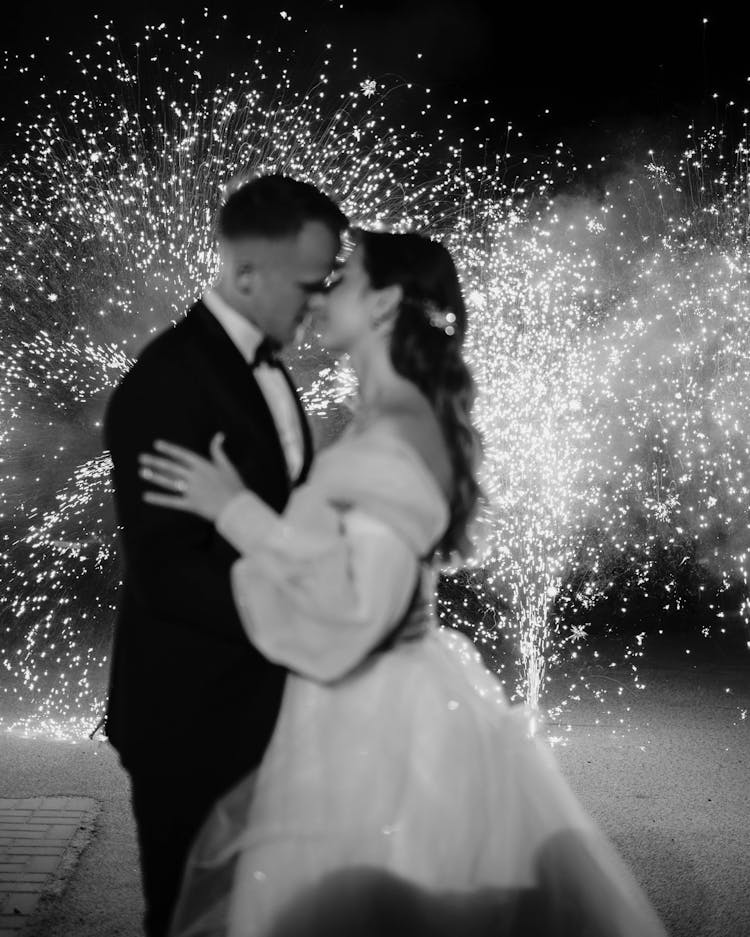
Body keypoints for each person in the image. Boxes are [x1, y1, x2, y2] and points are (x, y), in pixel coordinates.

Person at [140, 229, 668, 937]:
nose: (324, 292)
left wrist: (233, 512)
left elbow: (361, 607)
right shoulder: (393, 419)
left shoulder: (393, 431)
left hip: (376, 723)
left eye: (346, 278)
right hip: (375, 699)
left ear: (386, 301)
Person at [103, 174, 348, 937]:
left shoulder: (268, 370)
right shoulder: (168, 381)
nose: (321, 301)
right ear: (245, 273)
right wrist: (301, 623)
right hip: (193, 714)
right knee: (191, 919)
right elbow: (168, 570)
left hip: (271, 709)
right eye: (312, 283)